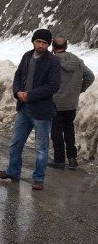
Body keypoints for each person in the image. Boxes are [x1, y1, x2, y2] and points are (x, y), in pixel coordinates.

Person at [0, 29, 61, 191]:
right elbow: (18, 77)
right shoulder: (27, 56)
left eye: (45, 43)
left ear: (48, 45)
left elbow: (53, 86)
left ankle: (38, 178)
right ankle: (13, 171)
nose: (41, 45)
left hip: (42, 111)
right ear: (33, 41)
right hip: (24, 109)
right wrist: (18, 93)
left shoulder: (53, 61)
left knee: (41, 148)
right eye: (38, 41)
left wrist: (29, 95)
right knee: (15, 143)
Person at [47, 37, 94, 170]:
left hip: (56, 102)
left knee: (56, 132)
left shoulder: (52, 61)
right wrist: (79, 90)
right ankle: (72, 160)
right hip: (71, 103)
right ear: (66, 47)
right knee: (69, 130)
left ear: (53, 47)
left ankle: (59, 161)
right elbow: (90, 76)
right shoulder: (78, 61)